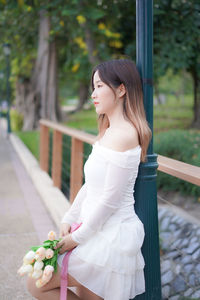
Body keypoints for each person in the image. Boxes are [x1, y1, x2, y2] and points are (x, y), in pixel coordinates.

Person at [27, 59, 152, 300]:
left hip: (110, 236)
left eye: (99, 86)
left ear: (121, 89)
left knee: (37, 282)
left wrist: (74, 239)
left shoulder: (125, 135)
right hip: (93, 228)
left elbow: (110, 200)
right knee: (37, 281)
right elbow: (91, 185)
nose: (93, 94)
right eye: (92, 87)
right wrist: (70, 216)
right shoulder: (108, 131)